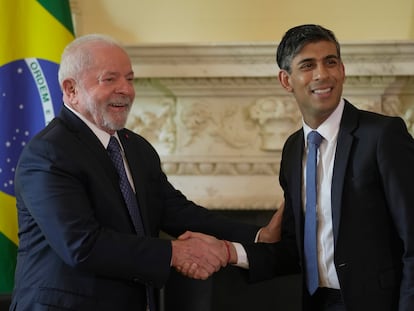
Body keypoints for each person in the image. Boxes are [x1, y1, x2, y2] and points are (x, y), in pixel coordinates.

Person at [9, 34, 281, 311]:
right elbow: (82, 245)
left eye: (130, 78)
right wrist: (176, 252)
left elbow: (176, 211)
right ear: (71, 89)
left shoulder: (135, 148)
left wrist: (259, 235)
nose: (125, 89)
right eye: (110, 79)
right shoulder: (48, 153)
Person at [187, 24, 414, 310]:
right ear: (286, 80)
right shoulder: (293, 149)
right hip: (317, 303)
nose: (322, 74)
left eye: (330, 62)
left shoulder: (382, 136)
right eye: (308, 65)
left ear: (342, 70)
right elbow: (296, 248)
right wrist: (230, 252)